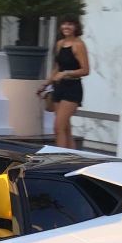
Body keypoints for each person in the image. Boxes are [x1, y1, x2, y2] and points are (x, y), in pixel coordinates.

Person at [46, 13, 90, 149]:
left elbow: (86, 70)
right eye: (64, 23)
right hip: (59, 88)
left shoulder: (79, 45)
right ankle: (72, 157)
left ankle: (60, 158)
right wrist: (45, 84)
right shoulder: (60, 44)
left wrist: (66, 74)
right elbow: (57, 67)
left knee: (58, 127)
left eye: (70, 24)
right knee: (65, 128)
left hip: (73, 88)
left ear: (76, 26)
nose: (67, 27)